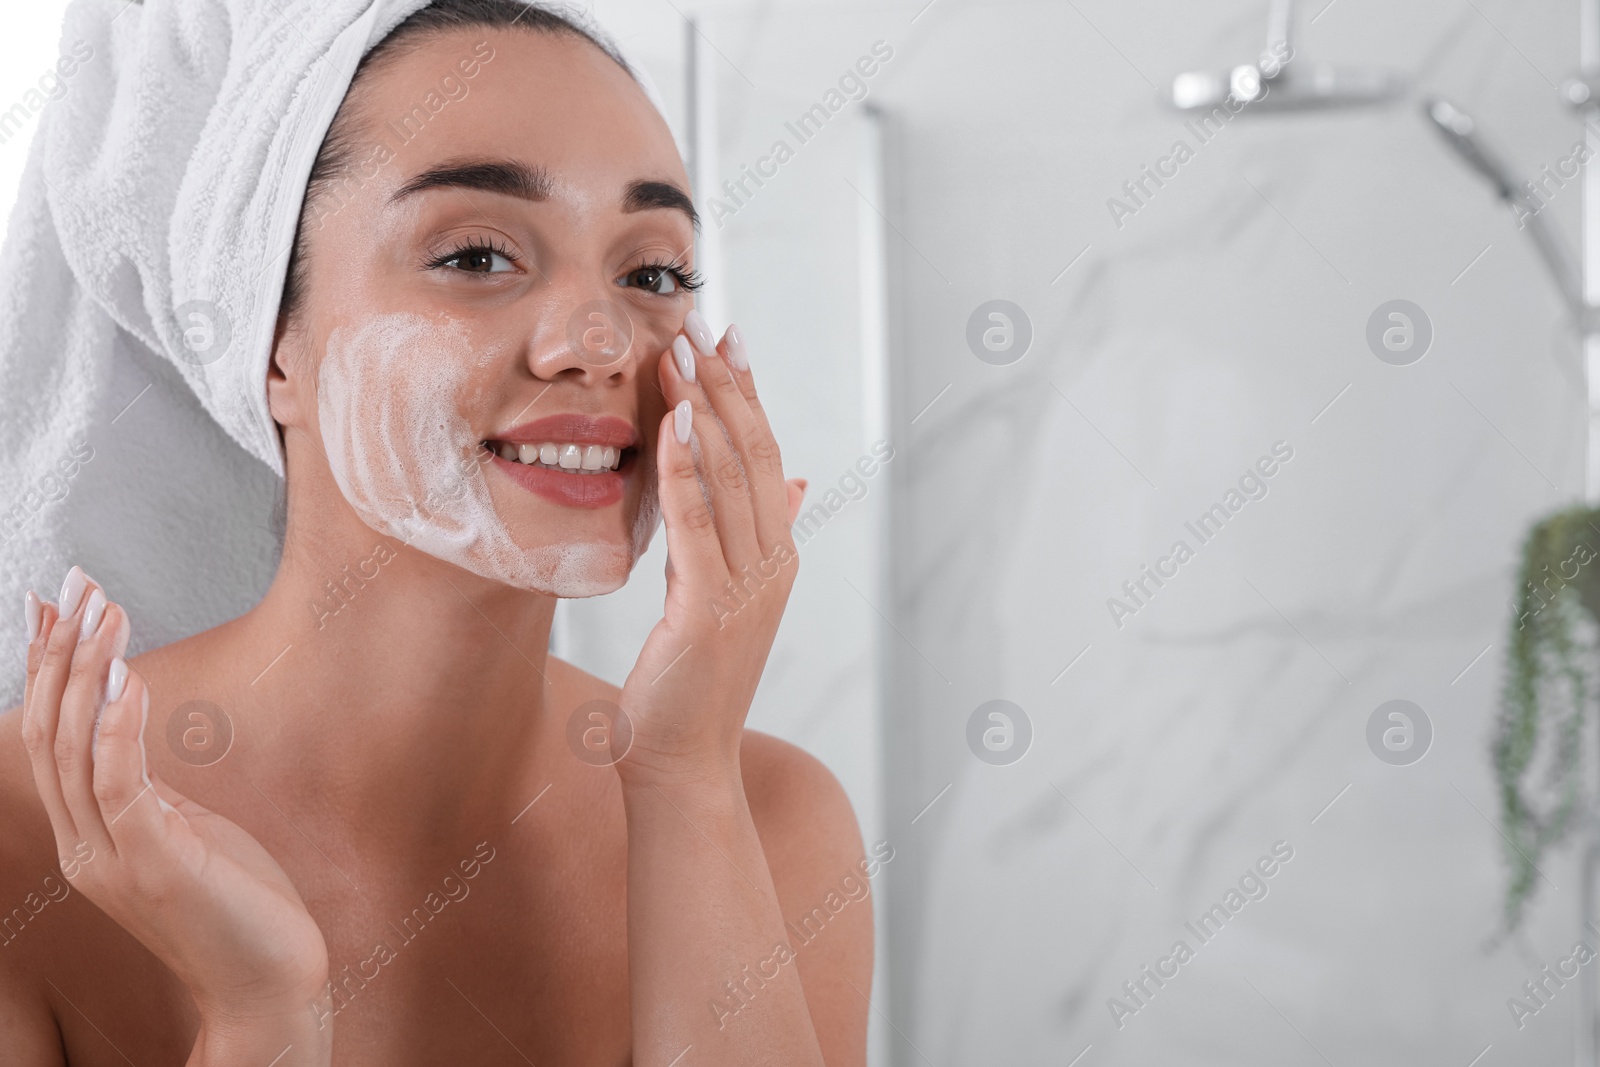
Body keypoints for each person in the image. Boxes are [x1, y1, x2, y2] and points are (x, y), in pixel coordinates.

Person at [0, 2, 872, 1063]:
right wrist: (260, 1011)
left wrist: (685, 776)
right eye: (476, 255)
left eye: (652, 274)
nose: (598, 341)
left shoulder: (775, 822)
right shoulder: (27, 839)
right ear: (272, 346)